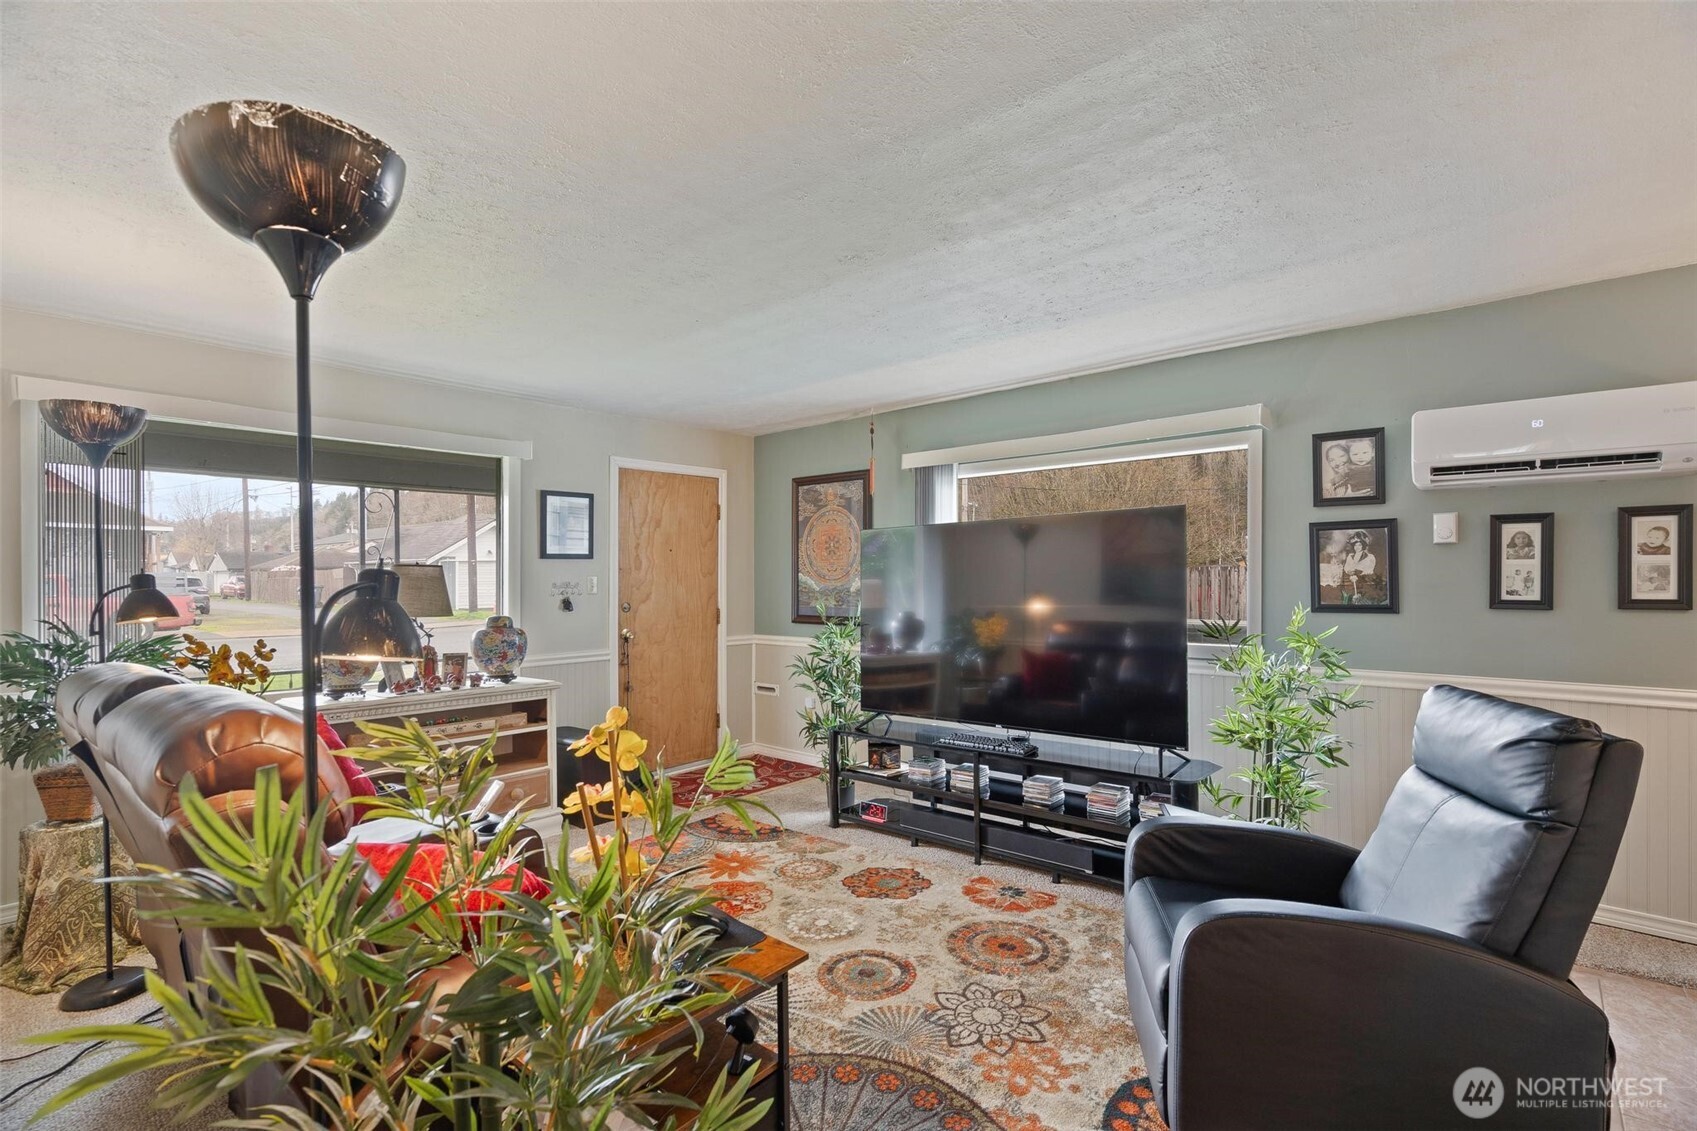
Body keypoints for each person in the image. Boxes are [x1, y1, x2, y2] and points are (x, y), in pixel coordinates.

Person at [1339, 530, 1378, 604]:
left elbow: (1370, 570)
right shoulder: (1350, 556)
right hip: (1350, 584)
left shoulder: (1370, 557)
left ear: (1363, 546)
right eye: (1355, 545)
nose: (1357, 547)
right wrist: (1349, 572)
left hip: (1363, 584)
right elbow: (1346, 568)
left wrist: (1358, 572)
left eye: (1359, 545)